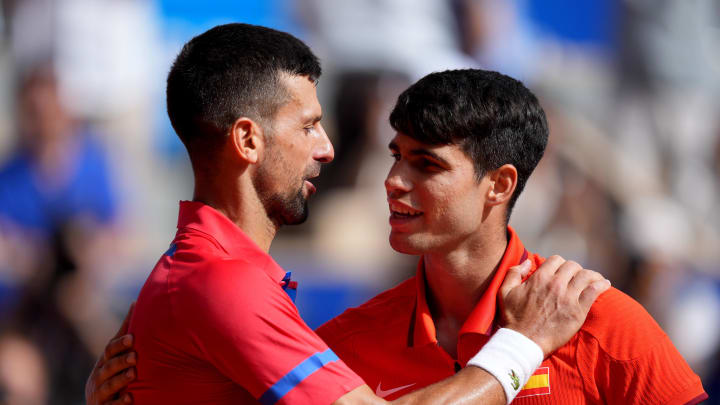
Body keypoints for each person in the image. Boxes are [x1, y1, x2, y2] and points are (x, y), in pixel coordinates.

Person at [85, 24, 611, 405]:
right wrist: (523, 344)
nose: (327, 148)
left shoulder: (191, 273)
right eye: (308, 126)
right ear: (248, 139)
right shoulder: (223, 284)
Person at [312, 69, 706, 404]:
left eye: (427, 164)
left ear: (499, 185)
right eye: (397, 156)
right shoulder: (343, 344)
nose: (393, 181)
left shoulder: (601, 321)